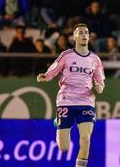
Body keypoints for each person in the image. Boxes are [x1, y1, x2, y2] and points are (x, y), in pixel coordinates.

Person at [36, 23, 105, 167]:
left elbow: (100, 83)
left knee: (85, 138)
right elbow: (53, 71)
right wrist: (45, 76)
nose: (84, 35)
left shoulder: (95, 59)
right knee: (64, 147)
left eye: (86, 32)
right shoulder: (67, 55)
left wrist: (99, 87)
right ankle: (58, 123)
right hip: (66, 99)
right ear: (74, 37)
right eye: (80, 32)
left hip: (86, 101)